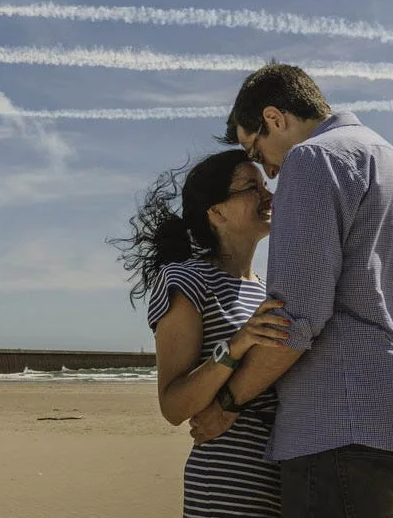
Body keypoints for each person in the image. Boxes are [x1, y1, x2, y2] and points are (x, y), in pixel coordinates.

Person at [194, 62, 393, 517]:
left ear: (274, 118)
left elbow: (293, 320)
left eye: (255, 150)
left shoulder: (313, 159)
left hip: (342, 429)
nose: (267, 170)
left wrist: (228, 403)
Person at [110, 149, 292, 518]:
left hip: (283, 478)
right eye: (251, 188)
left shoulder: (270, 289)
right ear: (217, 211)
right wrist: (237, 344)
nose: (269, 196)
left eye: (266, 185)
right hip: (228, 482)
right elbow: (173, 406)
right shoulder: (187, 279)